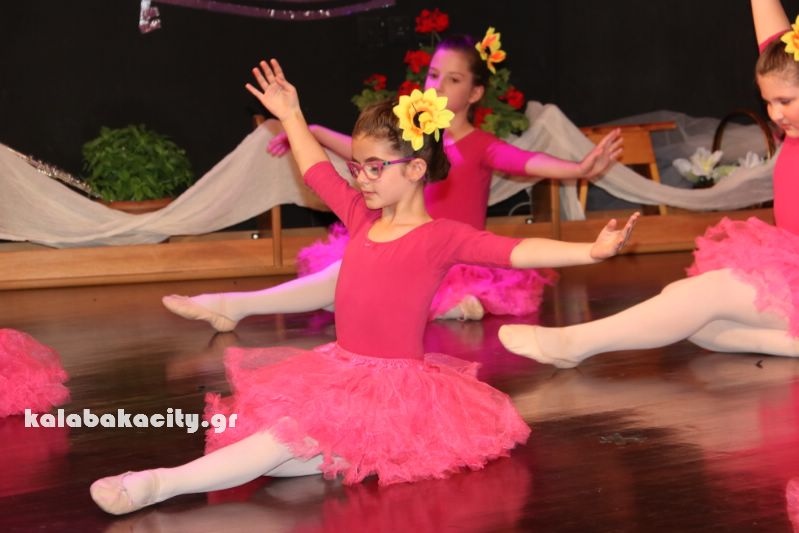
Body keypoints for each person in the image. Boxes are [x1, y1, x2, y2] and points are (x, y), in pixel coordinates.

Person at [90, 58, 637, 515]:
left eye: (376, 167)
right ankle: (322, 460)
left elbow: (514, 251)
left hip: (394, 394)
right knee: (285, 447)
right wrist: (292, 115)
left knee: (282, 438)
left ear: (416, 169)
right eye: (359, 167)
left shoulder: (440, 237)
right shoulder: (361, 216)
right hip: (341, 372)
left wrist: (588, 251)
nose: (362, 178)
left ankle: (158, 483)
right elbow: (314, 168)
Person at [162, 31, 623, 329]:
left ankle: (235, 305)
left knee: (347, 284)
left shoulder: (480, 146)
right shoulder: (395, 151)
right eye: (434, 74)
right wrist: (301, 123)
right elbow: (346, 158)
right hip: (391, 242)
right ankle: (237, 306)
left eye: (453, 79)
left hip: (446, 258)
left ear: (476, 92)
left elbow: (527, 164)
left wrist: (579, 171)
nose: (439, 85)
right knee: (346, 279)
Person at [498, 0, 799, 368]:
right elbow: (775, 47)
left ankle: (573, 344)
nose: (775, 113)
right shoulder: (791, 120)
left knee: (704, 296)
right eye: (768, 102)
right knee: (688, 309)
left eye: (785, 101)